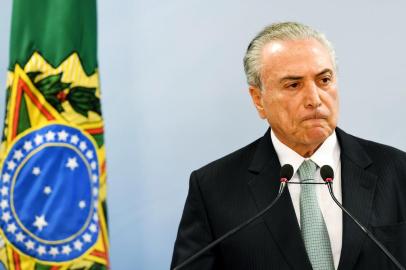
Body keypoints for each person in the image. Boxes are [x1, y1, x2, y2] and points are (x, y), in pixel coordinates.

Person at [170, 22, 406, 270]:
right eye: (293, 85)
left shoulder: (398, 172)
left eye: (324, 80)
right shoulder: (213, 189)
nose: (314, 99)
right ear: (258, 99)